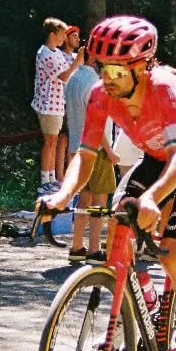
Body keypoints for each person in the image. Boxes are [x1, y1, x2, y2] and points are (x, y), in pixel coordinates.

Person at [43, 16, 176, 351]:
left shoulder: (166, 89)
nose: (108, 79)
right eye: (103, 68)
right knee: (119, 232)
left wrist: (153, 199)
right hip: (154, 161)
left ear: (143, 66)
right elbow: (85, 155)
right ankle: (135, 305)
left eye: (119, 72)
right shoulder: (100, 95)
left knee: (172, 253)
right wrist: (62, 194)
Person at [63, 47, 113, 263]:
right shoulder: (94, 84)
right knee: (100, 199)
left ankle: (77, 246)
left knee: (84, 198)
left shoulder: (74, 79)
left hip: (77, 146)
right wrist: (110, 150)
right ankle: (94, 249)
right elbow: (97, 121)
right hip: (96, 149)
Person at [31, 18, 83, 193]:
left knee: (53, 141)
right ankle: (45, 179)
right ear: (52, 34)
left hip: (57, 104)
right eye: (61, 34)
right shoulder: (44, 54)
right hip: (47, 105)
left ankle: (52, 177)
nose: (64, 38)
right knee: (49, 141)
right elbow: (64, 77)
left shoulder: (57, 53)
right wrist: (79, 61)